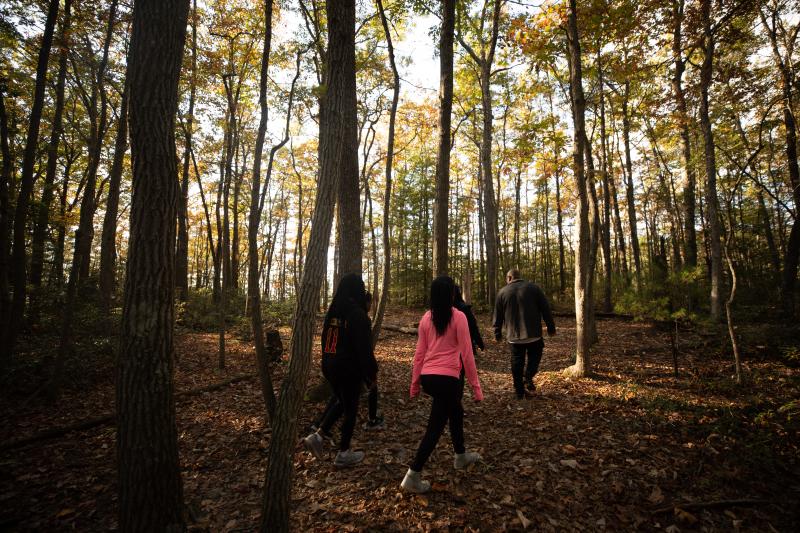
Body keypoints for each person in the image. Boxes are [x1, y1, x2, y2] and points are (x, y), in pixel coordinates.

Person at [401, 276, 484, 493]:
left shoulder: (426, 318)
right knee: (435, 428)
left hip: (430, 378)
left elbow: (419, 354)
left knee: (455, 411)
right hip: (448, 379)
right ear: (451, 295)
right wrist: (476, 388)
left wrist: (415, 383)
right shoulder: (459, 317)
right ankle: (413, 475)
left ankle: (460, 455)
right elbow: (467, 354)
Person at [303, 274, 377, 467]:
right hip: (348, 369)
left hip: (330, 366)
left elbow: (324, 341)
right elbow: (364, 349)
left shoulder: (333, 312)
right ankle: (344, 452)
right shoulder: (357, 315)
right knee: (350, 409)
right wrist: (371, 374)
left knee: (341, 402)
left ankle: (318, 436)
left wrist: (327, 363)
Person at [493, 269, 556, 399]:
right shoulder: (534, 288)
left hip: (514, 336)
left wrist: (497, 333)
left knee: (517, 362)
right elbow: (546, 309)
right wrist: (551, 328)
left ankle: (519, 391)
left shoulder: (502, 292)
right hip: (533, 334)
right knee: (535, 356)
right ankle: (528, 376)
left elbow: (497, 316)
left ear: (509, 278)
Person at [454, 285, 485, 354]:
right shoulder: (463, 308)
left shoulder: (463, 308)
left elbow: (472, 326)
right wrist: (479, 342)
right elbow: (473, 326)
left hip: (463, 347)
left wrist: (479, 342)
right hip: (458, 349)